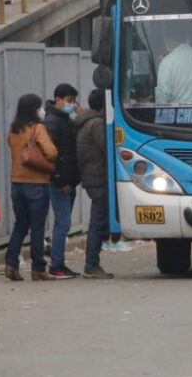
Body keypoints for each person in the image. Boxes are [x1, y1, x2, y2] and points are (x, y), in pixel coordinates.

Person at [4, 94, 56, 281]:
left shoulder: (13, 130)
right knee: (37, 227)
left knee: (20, 225)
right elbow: (51, 152)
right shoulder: (37, 128)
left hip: (16, 183)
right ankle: (38, 268)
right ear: (34, 109)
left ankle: (11, 263)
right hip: (37, 183)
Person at [42, 83, 81, 279]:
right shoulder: (52, 121)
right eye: (68, 101)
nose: (71, 105)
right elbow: (52, 156)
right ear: (58, 99)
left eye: (73, 101)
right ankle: (56, 264)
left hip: (69, 180)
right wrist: (59, 179)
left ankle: (59, 263)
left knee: (64, 223)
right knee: (62, 223)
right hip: (61, 182)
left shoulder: (66, 119)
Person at [75, 89, 113, 279]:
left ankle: (93, 262)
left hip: (91, 178)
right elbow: (108, 148)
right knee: (97, 222)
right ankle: (91, 264)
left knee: (99, 221)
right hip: (98, 178)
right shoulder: (97, 124)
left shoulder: (85, 121)